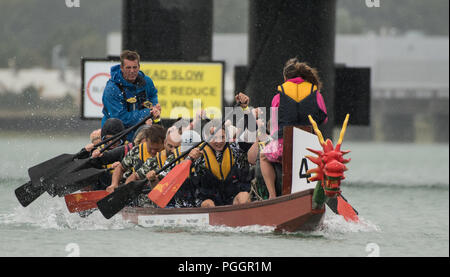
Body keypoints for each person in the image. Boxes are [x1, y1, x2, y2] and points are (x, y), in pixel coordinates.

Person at [259, 58, 328, 199]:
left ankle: (272, 196)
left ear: (285, 78)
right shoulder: (316, 93)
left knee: (263, 157)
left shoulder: (278, 96)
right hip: (310, 148)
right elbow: (324, 119)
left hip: (284, 146)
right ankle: (314, 195)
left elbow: (273, 125)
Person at [187, 112, 254, 208]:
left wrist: (247, 110)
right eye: (214, 137)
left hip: (231, 196)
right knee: (208, 204)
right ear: (206, 137)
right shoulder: (197, 153)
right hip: (208, 198)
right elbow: (190, 180)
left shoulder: (235, 148)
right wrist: (191, 160)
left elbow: (250, 132)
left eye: (222, 137)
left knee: (244, 197)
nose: (219, 141)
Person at [102, 50, 161, 142]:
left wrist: (154, 107)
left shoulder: (147, 81)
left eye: (135, 67)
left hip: (140, 132)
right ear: (121, 68)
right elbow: (121, 119)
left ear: (139, 67)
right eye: (128, 68)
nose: (132, 71)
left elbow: (153, 95)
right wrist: (148, 113)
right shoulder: (112, 89)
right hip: (116, 136)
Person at [106, 124, 166, 192]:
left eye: (156, 149)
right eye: (150, 148)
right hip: (134, 191)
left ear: (164, 143)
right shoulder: (137, 150)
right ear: (146, 140)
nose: (153, 151)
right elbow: (120, 167)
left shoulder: (168, 156)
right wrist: (114, 184)